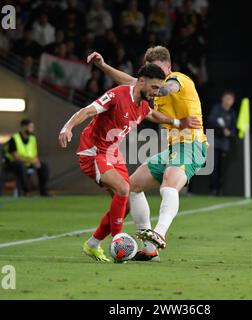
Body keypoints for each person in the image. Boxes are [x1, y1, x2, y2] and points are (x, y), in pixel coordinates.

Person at [58, 63, 201, 262]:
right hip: (93, 151)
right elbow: (88, 111)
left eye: (159, 89)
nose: (155, 94)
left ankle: (92, 244)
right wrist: (67, 127)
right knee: (124, 188)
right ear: (141, 81)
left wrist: (178, 122)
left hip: (112, 153)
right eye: (153, 88)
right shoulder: (117, 95)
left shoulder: (142, 105)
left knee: (125, 202)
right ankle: (117, 239)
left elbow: (153, 115)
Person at [3, 119, 49, 196]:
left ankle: (43, 191)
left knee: (43, 167)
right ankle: (26, 191)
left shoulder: (32, 138)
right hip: (13, 164)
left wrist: (36, 162)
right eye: (30, 127)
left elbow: (34, 154)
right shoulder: (14, 138)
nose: (32, 129)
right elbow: (16, 157)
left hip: (28, 163)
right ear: (24, 127)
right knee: (20, 166)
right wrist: (31, 161)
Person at [207, 91, 237, 195]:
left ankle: (221, 189)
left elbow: (233, 130)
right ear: (222, 99)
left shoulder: (232, 114)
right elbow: (211, 120)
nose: (228, 101)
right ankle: (213, 189)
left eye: (231, 99)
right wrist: (220, 128)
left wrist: (229, 133)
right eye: (227, 98)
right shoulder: (216, 109)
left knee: (222, 168)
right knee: (213, 166)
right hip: (214, 142)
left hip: (225, 144)